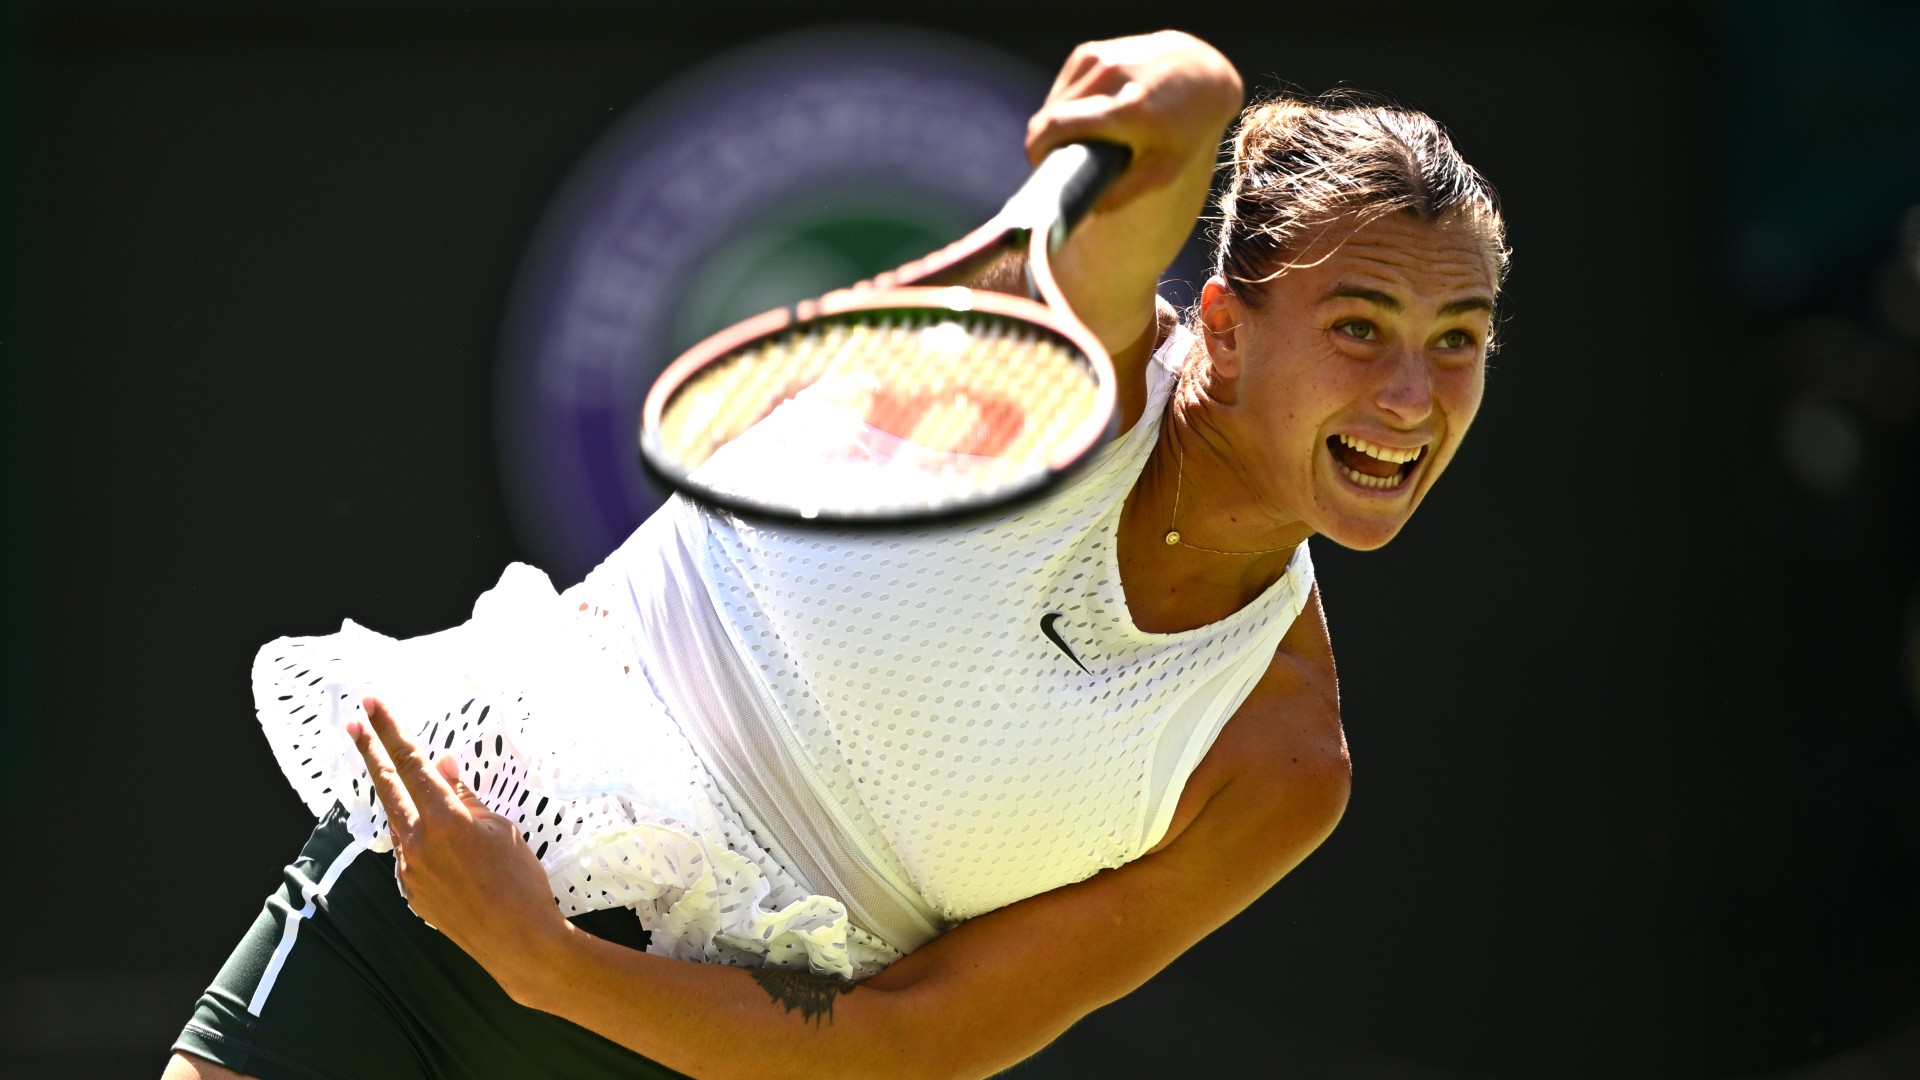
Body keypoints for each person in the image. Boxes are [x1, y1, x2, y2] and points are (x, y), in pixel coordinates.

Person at [166, 28, 1507, 1080]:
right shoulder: (1065, 369)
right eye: (1361, 324)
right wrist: (1190, 95)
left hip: (687, 1048)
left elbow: (918, 1043)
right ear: (1221, 331)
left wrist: (543, 963)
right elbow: (1141, 189)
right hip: (456, 859)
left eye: (1458, 339)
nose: (1411, 394)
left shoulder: (1281, 762)